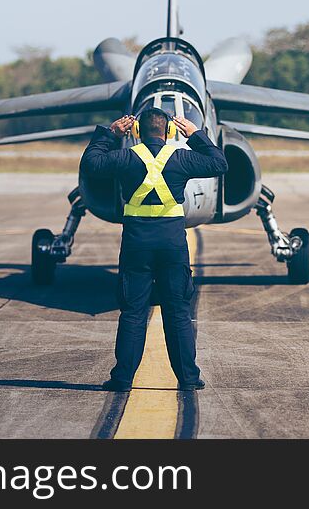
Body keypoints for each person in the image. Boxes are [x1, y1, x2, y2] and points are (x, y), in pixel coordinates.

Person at [80, 107, 228, 391]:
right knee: (177, 312)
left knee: (133, 312)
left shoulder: (125, 157)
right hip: (172, 244)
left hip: (136, 244)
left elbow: (90, 164)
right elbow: (219, 163)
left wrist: (110, 134)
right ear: (169, 132)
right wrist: (195, 135)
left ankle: (122, 379)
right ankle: (188, 378)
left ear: (135, 132)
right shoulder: (181, 158)